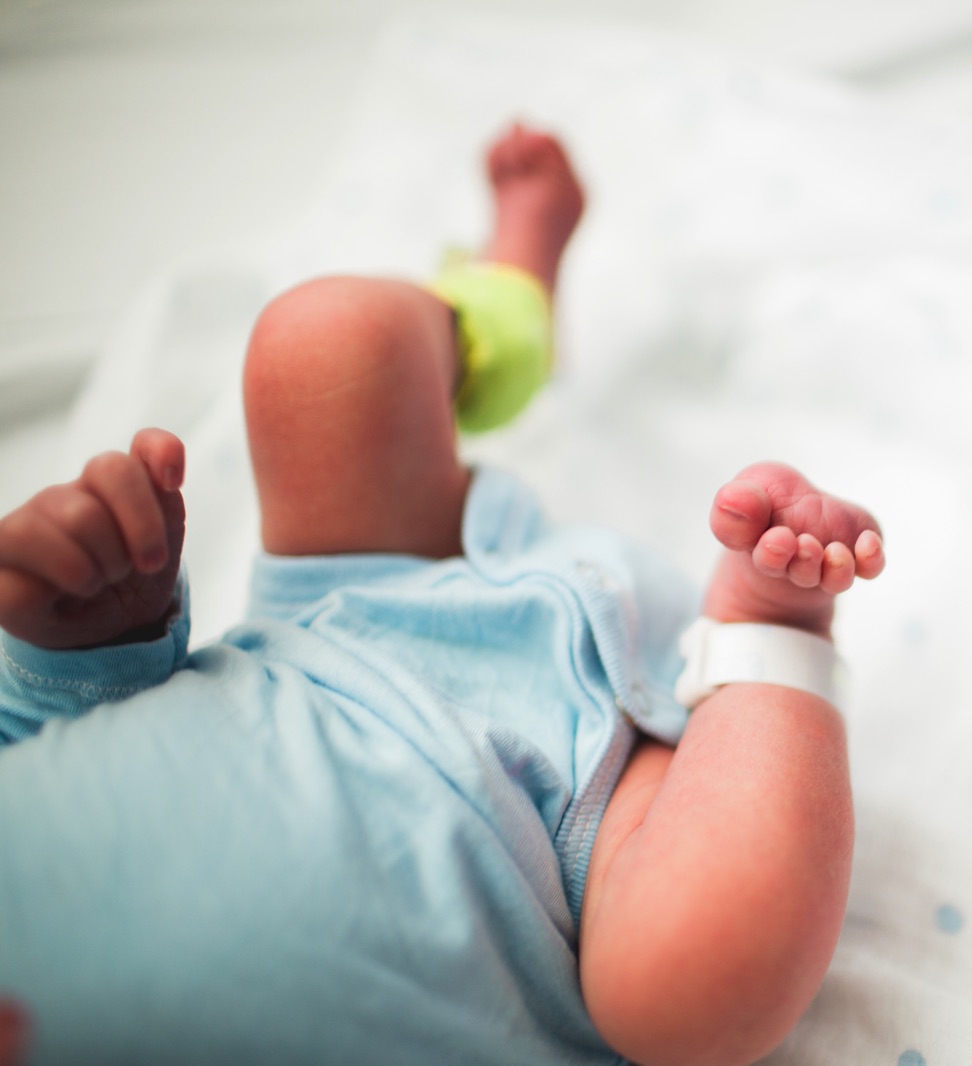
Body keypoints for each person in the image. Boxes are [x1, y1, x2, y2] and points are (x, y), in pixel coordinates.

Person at [0, 126, 884, 1066]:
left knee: (327, 339)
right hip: (576, 871)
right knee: (702, 979)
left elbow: (33, 736)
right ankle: (768, 634)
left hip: (345, 614)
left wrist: (80, 645)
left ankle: (509, 306)